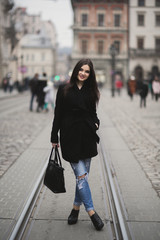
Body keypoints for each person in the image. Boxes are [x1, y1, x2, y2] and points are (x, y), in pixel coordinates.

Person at [50, 59, 104, 231]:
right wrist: (54, 137)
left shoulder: (91, 91)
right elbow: (57, 114)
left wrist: (96, 123)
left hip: (87, 137)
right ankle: (92, 212)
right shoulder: (64, 90)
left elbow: (93, 114)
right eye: (81, 70)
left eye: (87, 71)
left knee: (83, 179)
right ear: (76, 71)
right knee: (81, 176)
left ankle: (75, 209)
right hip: (70, 137)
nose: (83, 73)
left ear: (90, 74)